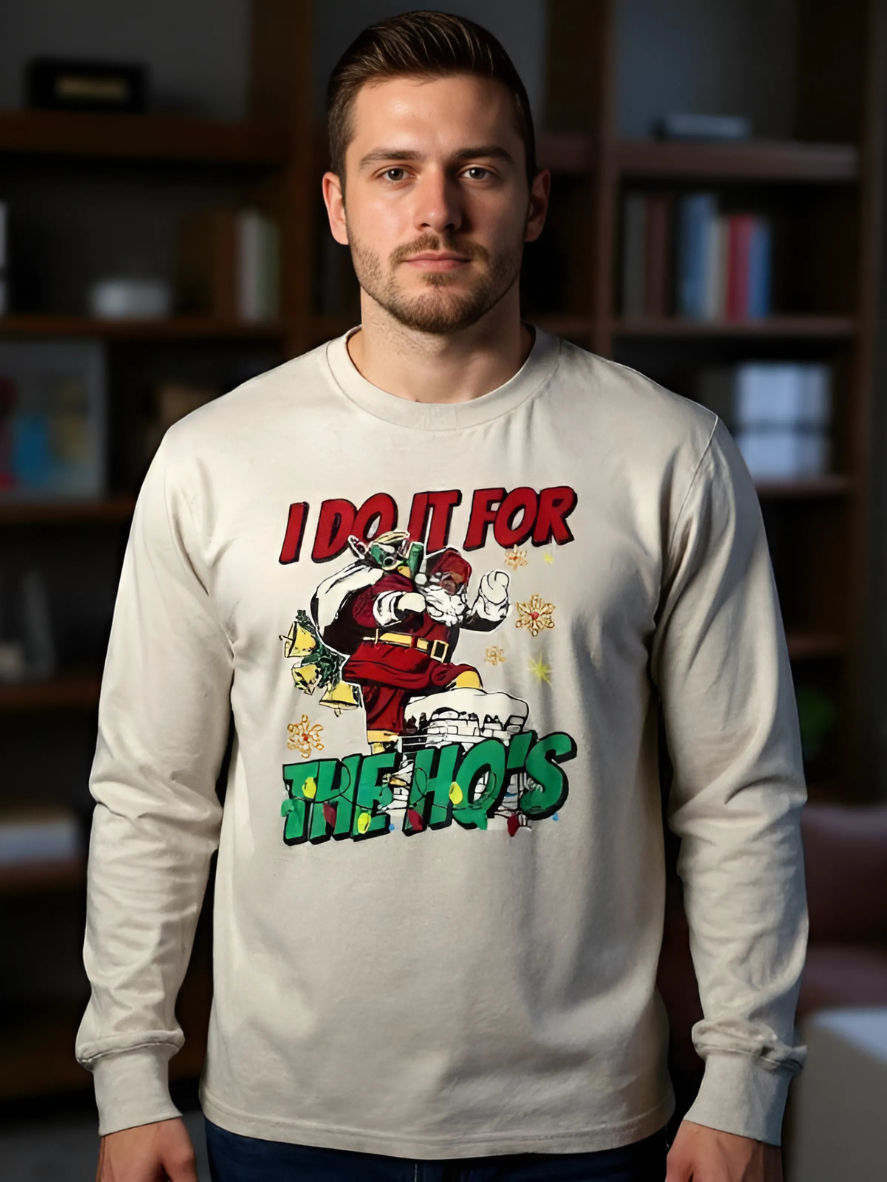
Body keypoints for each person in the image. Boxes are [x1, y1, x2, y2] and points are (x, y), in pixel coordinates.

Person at [79, 12, 807, 1182]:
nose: (436, 212)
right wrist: (127, 1075)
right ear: (334, 205)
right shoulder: (215, 459)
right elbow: (153, 795)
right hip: (286, 1113)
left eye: (476, 170)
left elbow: (737, 793)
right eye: (393, 172)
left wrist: (744, 1079)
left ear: (530, 199)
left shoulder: (667, 454)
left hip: (585, 1118)